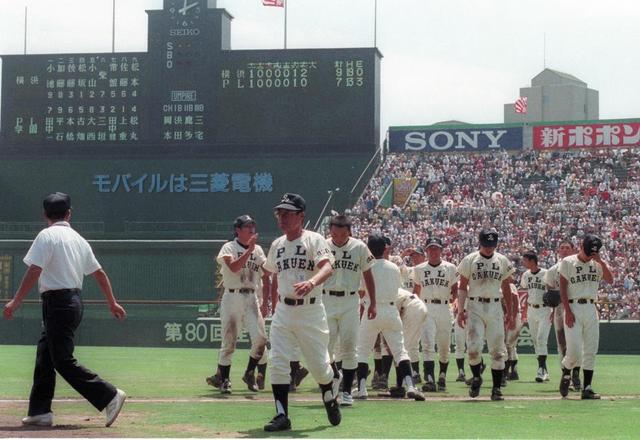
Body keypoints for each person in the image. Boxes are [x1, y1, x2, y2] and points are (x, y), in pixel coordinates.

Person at [2, 192, 127, 427]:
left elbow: (34, 270)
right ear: (69, 213)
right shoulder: (78, 239)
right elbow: (99, 274)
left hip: (57, 304)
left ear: (44, 215)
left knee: (62, 360)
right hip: (73, 302)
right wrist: (112, 302)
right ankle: (40, 411)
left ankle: (109, 395)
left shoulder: (46, 236)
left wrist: (15, 301)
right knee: (46, 356)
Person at [262, 193, 341, 431]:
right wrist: (271, 301)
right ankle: (282, 415)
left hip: (310, 311)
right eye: (280, 213)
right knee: (277, 361)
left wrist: (312, 282)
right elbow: (272, 273)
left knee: (318, 367)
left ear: (301, 216)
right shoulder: (277, 244)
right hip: (284, 310)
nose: (282, 218)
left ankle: (329, 390)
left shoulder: (314, 239)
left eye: (287, 213)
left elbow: (327, 267)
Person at [354, 234, 424, 402]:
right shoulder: (394, 267)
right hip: (391, 310)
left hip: (372, 309)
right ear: (385, 249)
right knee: (400, 351)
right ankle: (411, 386)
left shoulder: (365, 266)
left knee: (362, 351)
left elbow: (362, 291)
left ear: (368, 249)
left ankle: (362, 389)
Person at [206, 215, 270, 394]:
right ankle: (225, 380)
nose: (251, 229)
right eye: (247, 226)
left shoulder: (258, 250)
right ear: (238, 230)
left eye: (253, 226)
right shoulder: (229, 247)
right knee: (229, 342)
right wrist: (249, 251)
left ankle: (249, 372)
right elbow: (233, 268)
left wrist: (265, 299)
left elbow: (267, 271)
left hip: (251, 298)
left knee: (260, 339)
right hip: (232, 296)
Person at [322, 214, 376, 406]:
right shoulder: (323, 245)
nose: (338, 238)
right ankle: (335, 375)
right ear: (330, 231)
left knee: (349, 346)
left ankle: (346, 392)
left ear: (349, 232)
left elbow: (368, 274)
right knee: (325, 347)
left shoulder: (359, 246)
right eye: (335, 234)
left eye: (342, 234)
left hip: (350, 300)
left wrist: (373, 302)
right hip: (326, 298)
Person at [457, 229, 515, 401]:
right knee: (473, 349)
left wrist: (510, 312)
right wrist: (461, 310)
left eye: (492, 245)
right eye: (486, 245)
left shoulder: (502, 260)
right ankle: (476, 377)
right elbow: (462, 286)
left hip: (495, 306)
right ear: (480, 243)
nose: (489, 248)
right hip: (475, 305)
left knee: (498, 350)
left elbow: (507, 287)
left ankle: (496, 388)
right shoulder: (470, 259)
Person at [558, 234, 613, 399]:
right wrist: (567, 311)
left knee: (590, 349)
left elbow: (610, 280)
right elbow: (562, 287)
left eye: (594, 252)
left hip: (590, 307)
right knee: (574, 351)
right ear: (581, 246)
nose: (591, 255)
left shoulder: (597, 264)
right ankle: (567, 371)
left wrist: (601, 261)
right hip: (573, 306)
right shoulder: (568, 262)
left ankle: (587, 387)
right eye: (589, 251)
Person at [411, 237, 457, 392]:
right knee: (427, 344)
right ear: (426, 251)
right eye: (430, 248)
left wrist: (455, 303)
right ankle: (430, 379)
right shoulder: (419, 269)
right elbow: (416, 291)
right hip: (426, 306)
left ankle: (442, 376)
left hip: (444, 306)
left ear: (441, 250)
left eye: (436, 248)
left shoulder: (450, 267)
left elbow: (455, 289)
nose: (433, 251)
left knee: (444, 346)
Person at [544, 239, 582, 390]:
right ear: (558, 251)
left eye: (567, 247)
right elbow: (550, 291)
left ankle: (576, 374)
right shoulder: (553, 270)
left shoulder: (579, 266)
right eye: (562, 248)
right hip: (560, 309)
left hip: (577, 307)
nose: (564, 250)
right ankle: (566, 376)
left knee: (579, 343)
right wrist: (552, 310)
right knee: (562, 344)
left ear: (573, 250)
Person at [521, 250, 552, 383]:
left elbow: (552, 292)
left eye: (525, 260)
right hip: (532, 310)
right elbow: (528, 292)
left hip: (544, 309)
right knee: (535, 341)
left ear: (532, 260)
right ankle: (544, 370)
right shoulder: (526, 275)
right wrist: (524, 311)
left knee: (541, 339)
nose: (523, 262)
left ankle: (540, 369)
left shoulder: (546, 273)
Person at [503, 282, 523, 385]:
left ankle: (504, 374)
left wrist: (513, 318)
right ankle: (514, 372)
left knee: (508, 345)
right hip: (509, 316)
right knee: (511, 346)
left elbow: (515, 300)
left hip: (514, 315)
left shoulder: (508, 285)